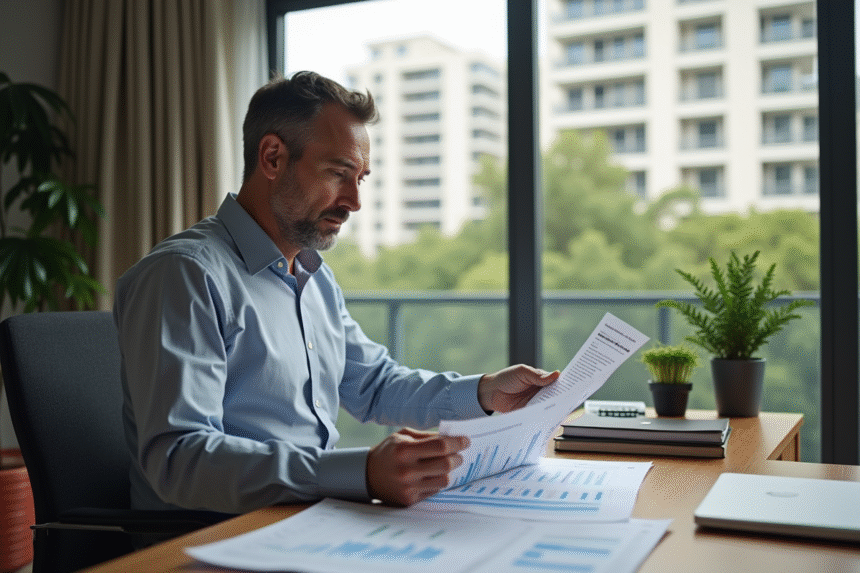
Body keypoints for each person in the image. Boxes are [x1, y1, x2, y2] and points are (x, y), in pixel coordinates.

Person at [114, 71, 560, 517]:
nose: (353, 200)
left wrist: (484, 393)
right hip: (212, 535)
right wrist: (359, 473)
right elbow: (179, 461)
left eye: (360, 178)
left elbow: (373, 385)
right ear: (272, 158)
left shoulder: (314, 276)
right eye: (337, 174)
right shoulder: (184, 276)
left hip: (308, 516)